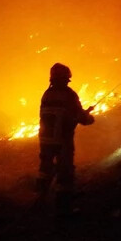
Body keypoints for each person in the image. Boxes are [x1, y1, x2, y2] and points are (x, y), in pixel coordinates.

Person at [37, 63, 95, 217]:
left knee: (45, 168)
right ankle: (63, 210)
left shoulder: (46, 94)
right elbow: (81, 118)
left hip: (45, 139)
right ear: (65, 78)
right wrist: (89, 118)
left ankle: (40, 199)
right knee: (65, 172)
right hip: (62, 140)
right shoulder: (69, 94)